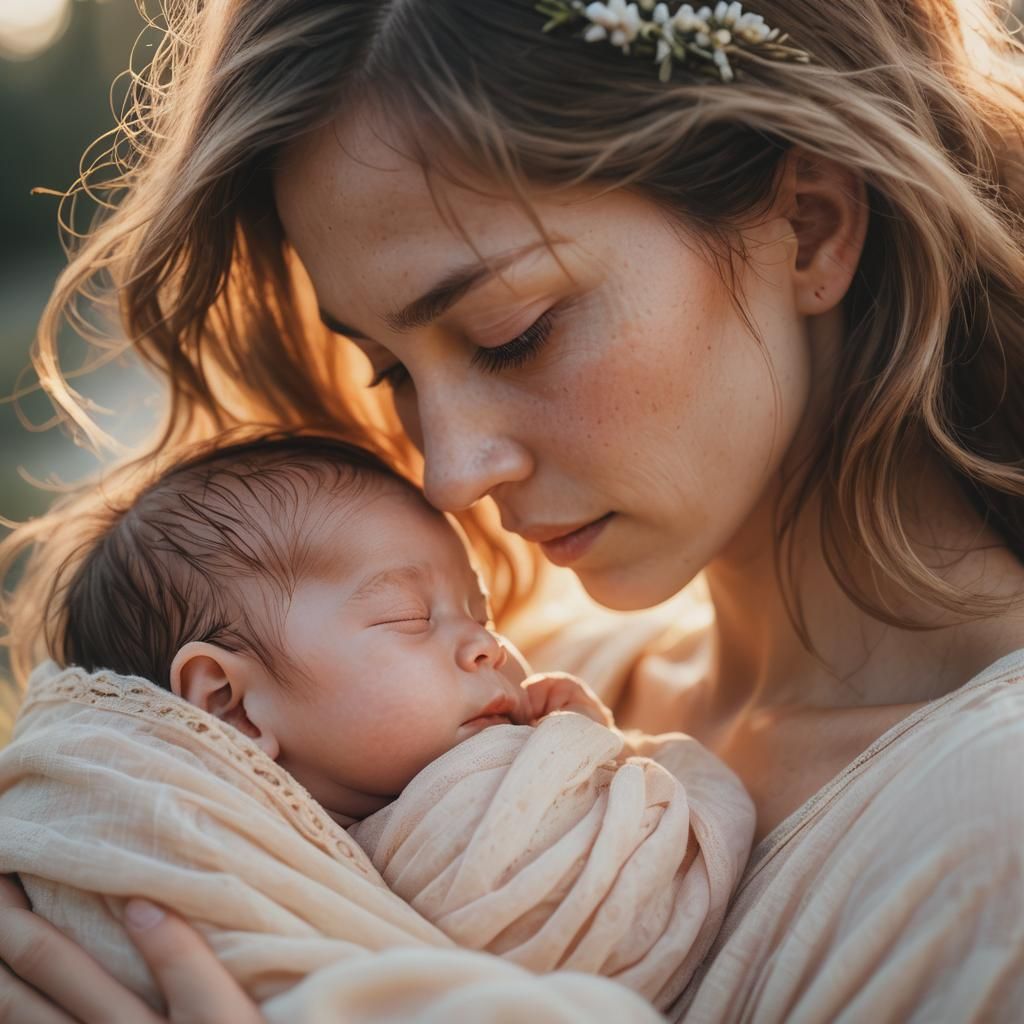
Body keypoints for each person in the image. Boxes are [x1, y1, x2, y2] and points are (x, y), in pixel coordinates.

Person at [1, 0, 1023, 1020]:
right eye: (390, 370)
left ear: (808, 227)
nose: (449, 473)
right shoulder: (479, 705)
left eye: (510, 334)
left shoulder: (988, 828)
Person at [0, 431, 753, 1017]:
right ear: (227, 703)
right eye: (408, 614)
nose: (490, 644)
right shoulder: (143, 825)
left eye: (481, 611)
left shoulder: (417, 786)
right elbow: (627, 911)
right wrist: (586, 761)